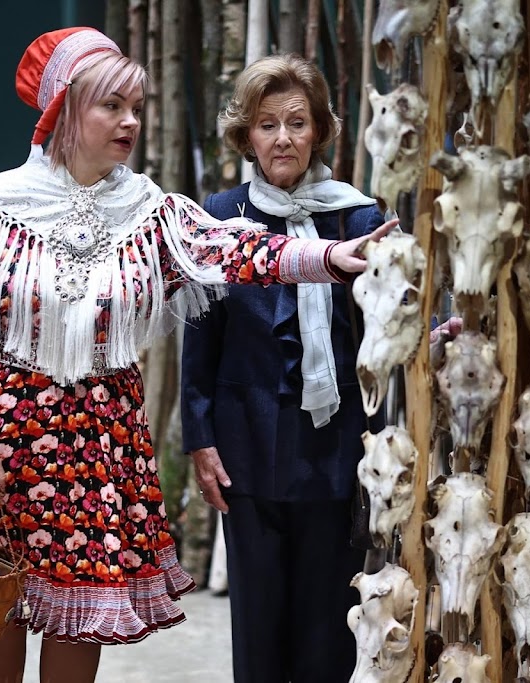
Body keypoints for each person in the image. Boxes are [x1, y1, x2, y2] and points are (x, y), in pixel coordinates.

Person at [0, 28, 394, 683]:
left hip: (95, 440)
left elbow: (235, 249)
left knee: (78, 610)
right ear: (64, 106)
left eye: (136, 107)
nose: (131, 121)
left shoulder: (148, 211)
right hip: (1, 437)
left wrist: (325, 258)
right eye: (112, 106)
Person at [180, 53, 395, 683]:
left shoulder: (359, 217)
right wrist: (200, 436)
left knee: (328, 626)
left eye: (297, 123)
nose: (283, 138)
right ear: (247, 135)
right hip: (245, 450)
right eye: (267, 124)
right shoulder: (218, 216)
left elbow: (389, 325)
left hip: (335, 454)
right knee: (258, 623)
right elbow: (200, 335)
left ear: (321, 131)